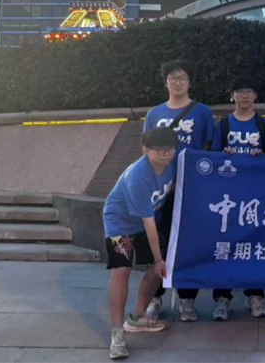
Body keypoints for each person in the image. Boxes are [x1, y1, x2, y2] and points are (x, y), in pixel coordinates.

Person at [143, 59, 214, 323]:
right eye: (173, 77)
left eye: (183, 77)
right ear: (166, 82)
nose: (178, 82)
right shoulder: (154, 114)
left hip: (190, 189)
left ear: (190, 82)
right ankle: (155, 297)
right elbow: (146, 149)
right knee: (158, 243)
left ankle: (187, 299)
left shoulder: (202, 112)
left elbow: (208, 148)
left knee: (188, 243)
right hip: (160, 189)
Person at [103, 127, 179, 359]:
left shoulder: (172, 164)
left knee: (158, 269)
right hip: (120, 222)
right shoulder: (138, 177)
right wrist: (157, 258)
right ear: (146, 149)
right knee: (122, 270)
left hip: (147, 221)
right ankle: (117, 332)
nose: (166, 154)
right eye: (160, 149)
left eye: (170, 149)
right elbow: (148, 223)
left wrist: (158, 261)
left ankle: (137, 316)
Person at [210, 75, 265, 320]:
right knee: (224, 246)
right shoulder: (223, 125)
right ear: (232, 95)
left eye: (249, 91)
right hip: (228, 198)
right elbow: (213, 159)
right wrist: (224, 154)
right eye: (240, 91)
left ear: (256, 96)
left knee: (255, 246)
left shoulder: (264, 125)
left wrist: (263, 155)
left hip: (256, 197)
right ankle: (222, 298)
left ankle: (255, 297)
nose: (245, 95)